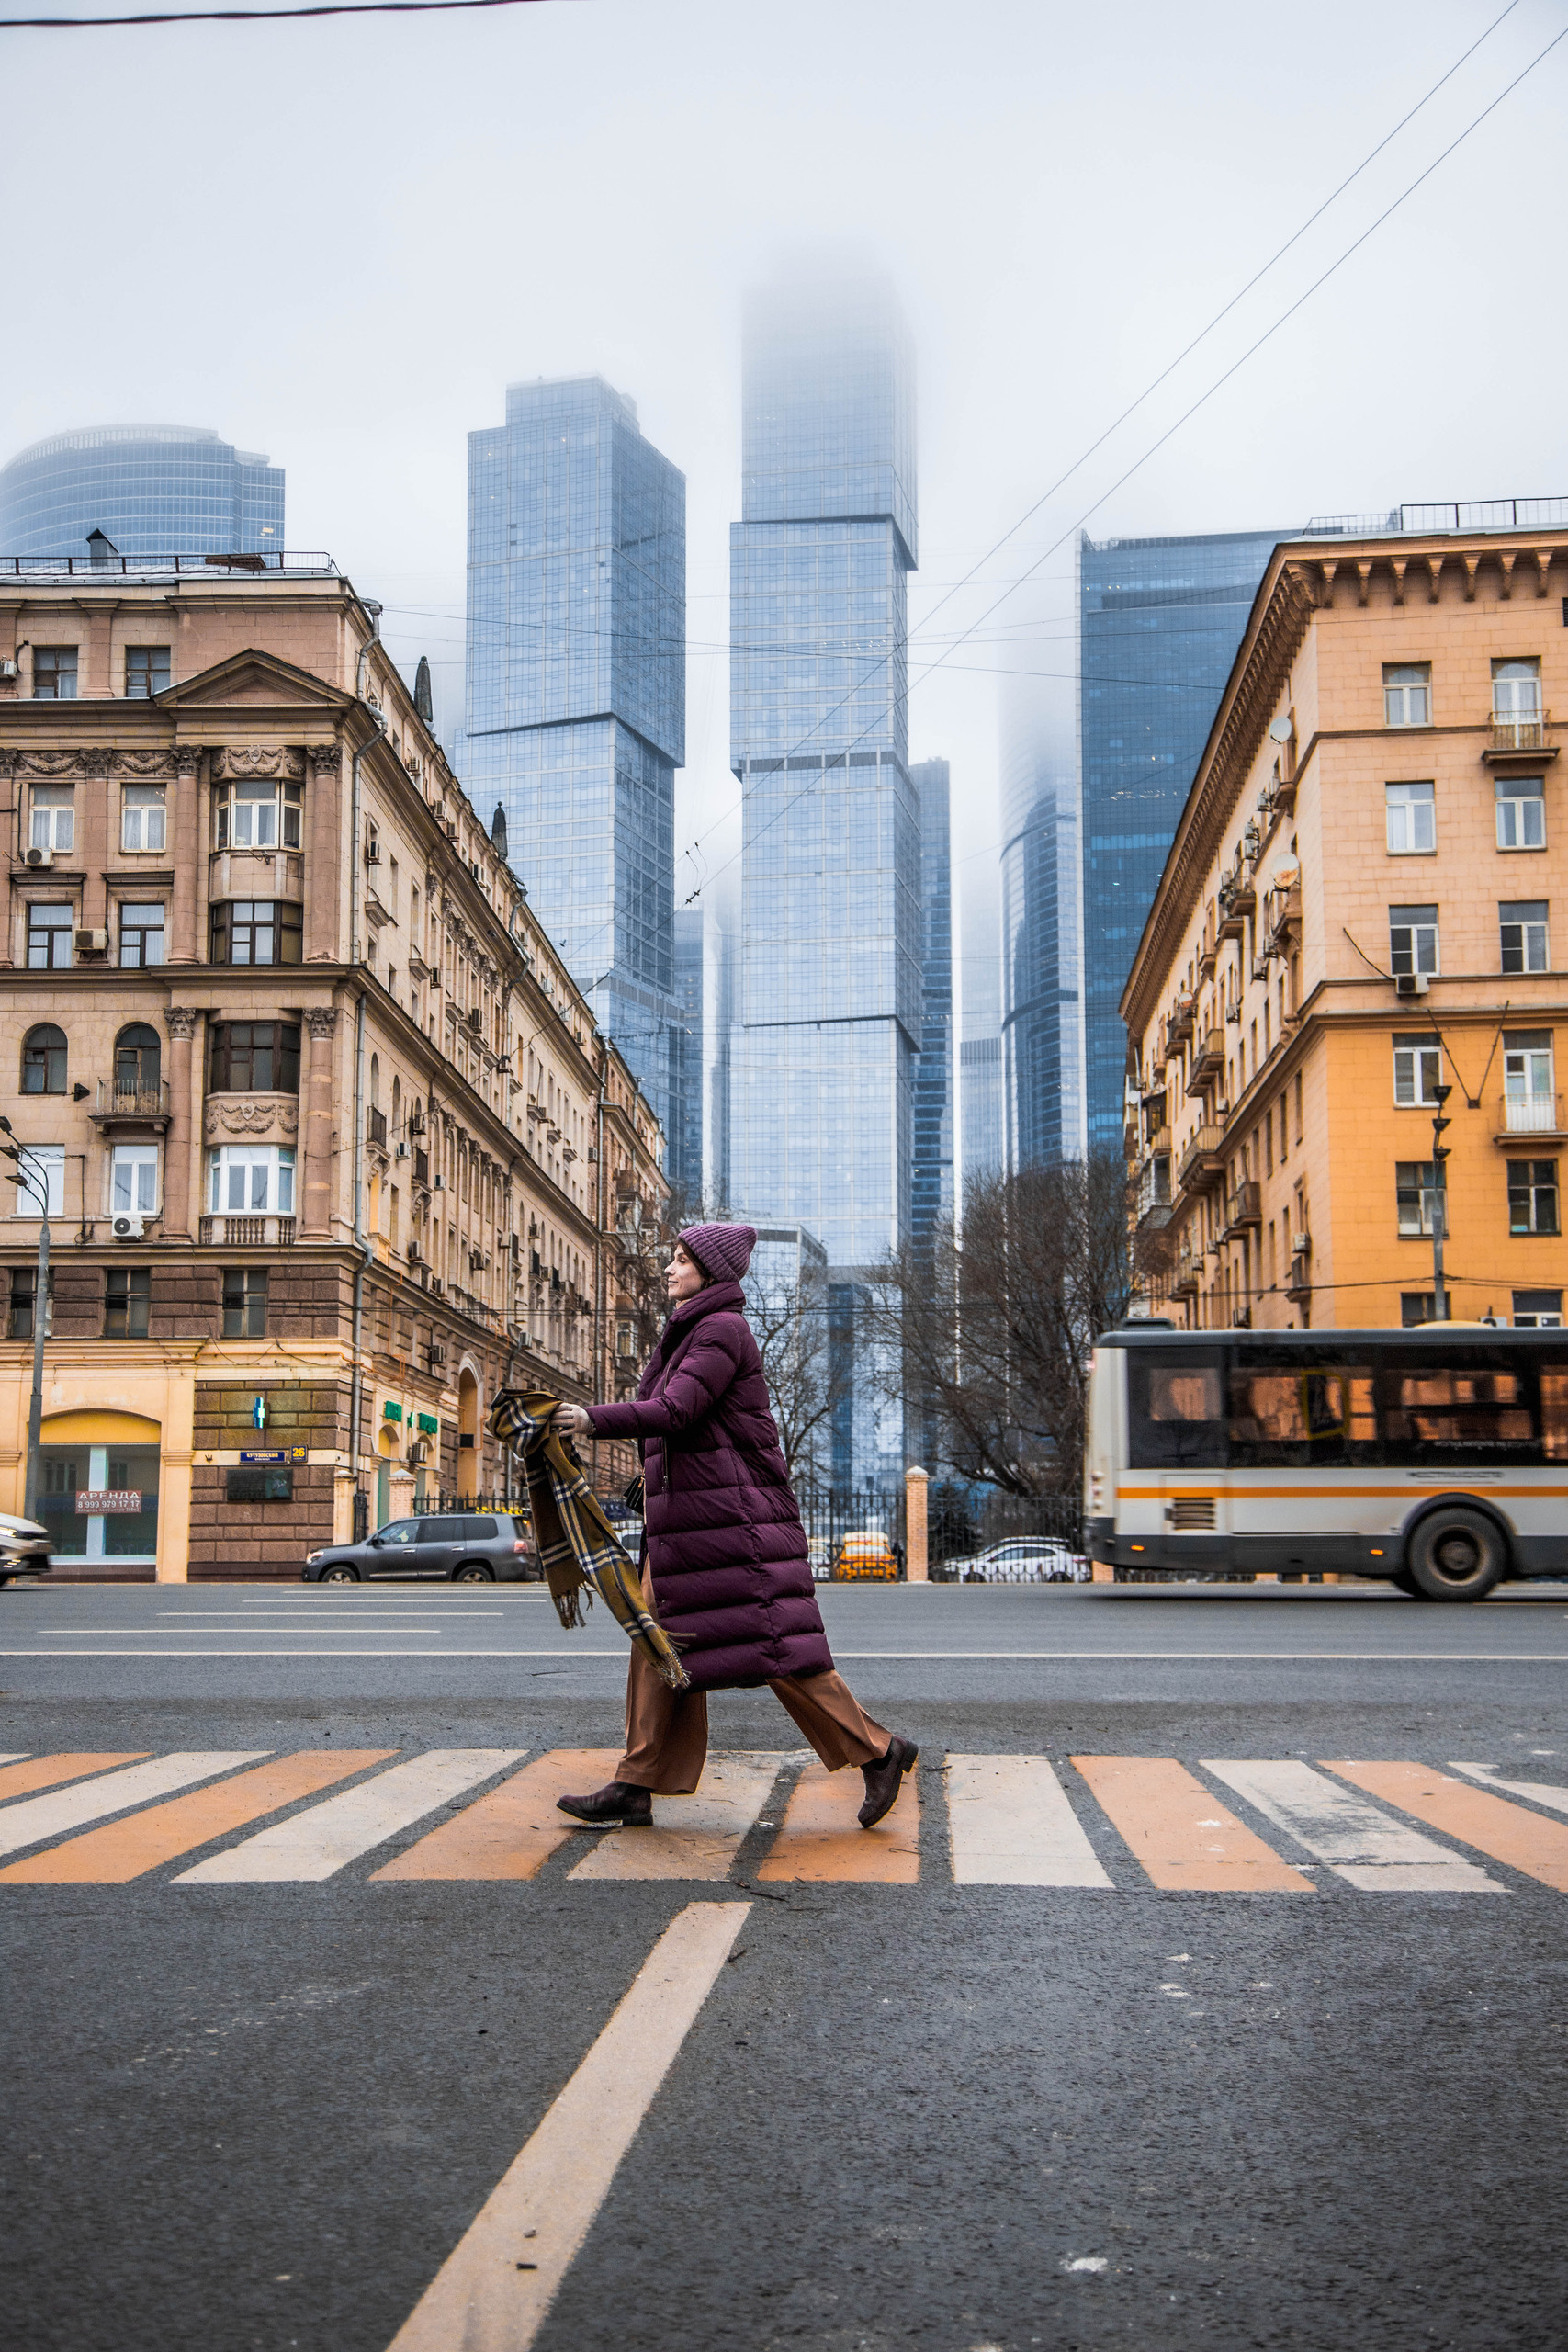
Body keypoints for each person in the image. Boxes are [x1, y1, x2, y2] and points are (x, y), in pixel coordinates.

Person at [553, 1221, 918, 1829]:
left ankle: (879, 1750)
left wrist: (590, 1420)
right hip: (695, 1523)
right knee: (656, 1642)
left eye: (679, 1260)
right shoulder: (693, 1330)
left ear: (710, 1270)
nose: (668, 1269)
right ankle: (636, 1780)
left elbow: (677, 1412)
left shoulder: (720, 1329)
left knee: (778, 1652)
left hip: (731, 1526)